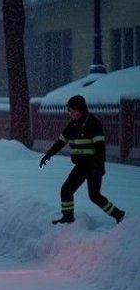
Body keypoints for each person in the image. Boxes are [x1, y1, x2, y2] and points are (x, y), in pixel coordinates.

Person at [40, 95, 125, 225]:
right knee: (67, 190)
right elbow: (60, 142)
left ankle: (118, 214)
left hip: (93, 165)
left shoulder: (93, 123)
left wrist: (100, 167)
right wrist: (48, 155)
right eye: (69, 111)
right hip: (81, 166)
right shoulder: (72, 125)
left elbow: (100, 148)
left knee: (93, 195)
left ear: (81, 109)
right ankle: (68, 217)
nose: (71, 113)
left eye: (73, 111)